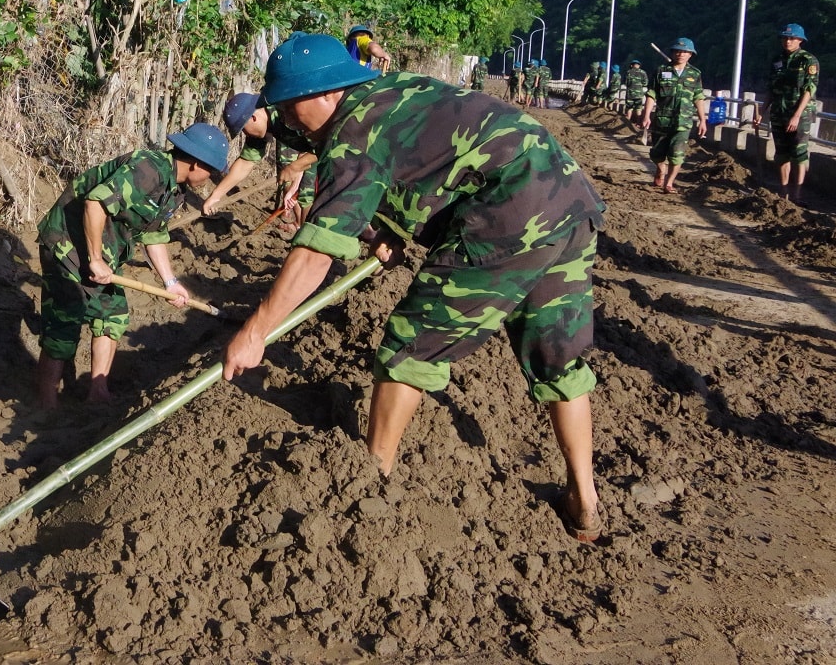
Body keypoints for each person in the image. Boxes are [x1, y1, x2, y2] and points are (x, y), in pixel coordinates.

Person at [221, 33, 606, 542]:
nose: (287, 122)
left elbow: (316, 249)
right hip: (567, 197)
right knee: (558, 358)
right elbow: (429, 167)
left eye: (290, 108)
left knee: (408, 345)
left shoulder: (351, 131)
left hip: (510, 211)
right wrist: (390, 232)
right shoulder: (394, 91)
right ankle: (585, 498)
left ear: (326, 94)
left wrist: (256, 331)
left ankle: (368, 483)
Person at [36, 123, 229, 408]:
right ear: (196, 163)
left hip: (103, 251)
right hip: (67, 244)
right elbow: (95, 204)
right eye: (211, 171)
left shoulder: (174, 190)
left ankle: (97, 392)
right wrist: (95, 258)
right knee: (64, 323)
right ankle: (45, 404)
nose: (211, 178)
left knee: (112, 315)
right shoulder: (148, 170)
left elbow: (153, 234)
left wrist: (170, 282)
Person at [204, 92, 317, 223]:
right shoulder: (262, 128)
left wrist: (295, 167)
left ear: (253, 118)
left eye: (244, 130)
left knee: (310, 195)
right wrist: (215, 196)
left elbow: (326, 142)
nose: (246, 134)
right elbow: (246, 162)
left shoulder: (289, 110)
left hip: (338, 151)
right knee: (303, 193)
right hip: (314, 150)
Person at [757, 23, 821, 203]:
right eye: (785, 37)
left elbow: (809, 89)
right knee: (782, 153)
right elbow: (771, 88)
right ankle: (783, 192)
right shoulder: (777, 60)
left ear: (800, 40)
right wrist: (762, 111)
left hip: (799, 114)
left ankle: (797, 194)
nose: (787, 41)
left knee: (799, 153)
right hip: (779, 112)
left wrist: (796, 115)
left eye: (791, 38)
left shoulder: (808, 60)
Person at [640, 38, 706, 194]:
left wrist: (703, 120)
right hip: (662, 120)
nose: (681, 54)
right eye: (678, 51)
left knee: (677, 154)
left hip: (683, 122)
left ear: (691, 54)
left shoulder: (694, 74)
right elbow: (651, 94)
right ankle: (660, 170)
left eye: (685, 52)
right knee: (657, 153)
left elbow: (698, 97)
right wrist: (646, 115)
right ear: (673, 53)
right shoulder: (661, 71)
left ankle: (669, 184)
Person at [622, 57, 649, 127]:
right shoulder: (643, 72)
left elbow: (625, 82)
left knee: (629, 108)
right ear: (639, 65)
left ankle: (627, 123)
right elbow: (646, 83)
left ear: (631, 65)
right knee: (638, 108)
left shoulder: (628, 72)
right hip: (639, 94)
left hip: (630, 93)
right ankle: (638, 123)